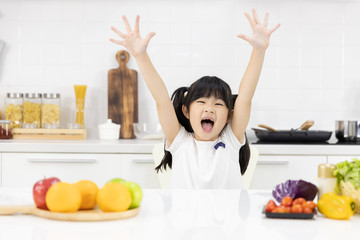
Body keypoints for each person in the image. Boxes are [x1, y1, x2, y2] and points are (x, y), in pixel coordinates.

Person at [110, 9, 280, 189]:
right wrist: (140, 56)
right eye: (201, 102)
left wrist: (259, 51)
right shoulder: (179, 141)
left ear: (230, 115)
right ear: (186, 111)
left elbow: (245, 97)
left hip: (228, 217)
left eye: (218, 104)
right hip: (184, 217)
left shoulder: (231, 140)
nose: (209, 108)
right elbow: (161, 100)